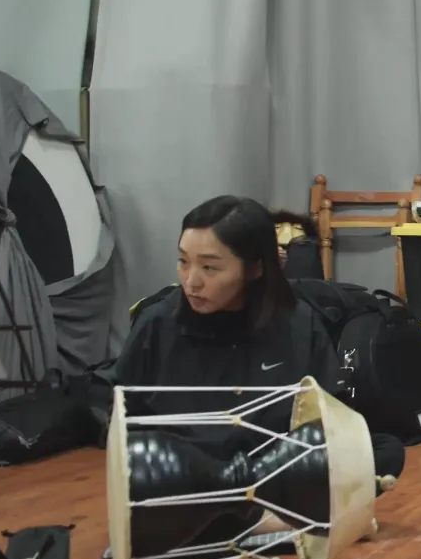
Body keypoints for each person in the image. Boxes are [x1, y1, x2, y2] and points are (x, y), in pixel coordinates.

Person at [114, 195, 405, 481]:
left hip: (271, 467)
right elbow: (123, 417)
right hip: (187, 472)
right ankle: (247, 495)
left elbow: (332, 416)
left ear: (255, 268)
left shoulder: (297, 322)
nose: (191, 281)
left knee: (385, 450)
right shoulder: (157, 322)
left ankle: (252, 493)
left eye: (209, 267)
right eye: (183, 261)